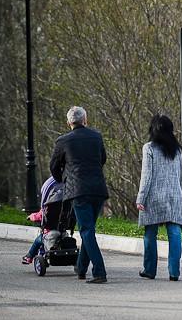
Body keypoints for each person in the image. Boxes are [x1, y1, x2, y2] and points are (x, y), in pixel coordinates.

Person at [50, 106, 109, 284]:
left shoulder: (63, 141)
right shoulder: (96, 137)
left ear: (69, 123)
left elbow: (53, 166)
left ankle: (99, 271)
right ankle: (81, 267)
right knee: (88, 230)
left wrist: (63, 179)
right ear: (85, 120)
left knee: (86, 231)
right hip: (98, 189)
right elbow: (102, 159)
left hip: (78, 190)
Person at [136, 114, 182, 281]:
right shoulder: (177, 150)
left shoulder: (149, 148)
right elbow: (181, 176)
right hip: (174, 196)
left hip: (154, 196)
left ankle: (149, 270)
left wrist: (141, 198)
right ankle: (174, 272)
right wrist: (180, 193)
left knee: (150, 233)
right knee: (174, 233)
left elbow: (146, 176)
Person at [21, 176, 61, 264]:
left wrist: (30, 217)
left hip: (49, 233)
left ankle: (29, 257)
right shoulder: (66, 209)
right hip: (63, 231)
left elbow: (39, 216)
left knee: (38, 241)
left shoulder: (48, 208)